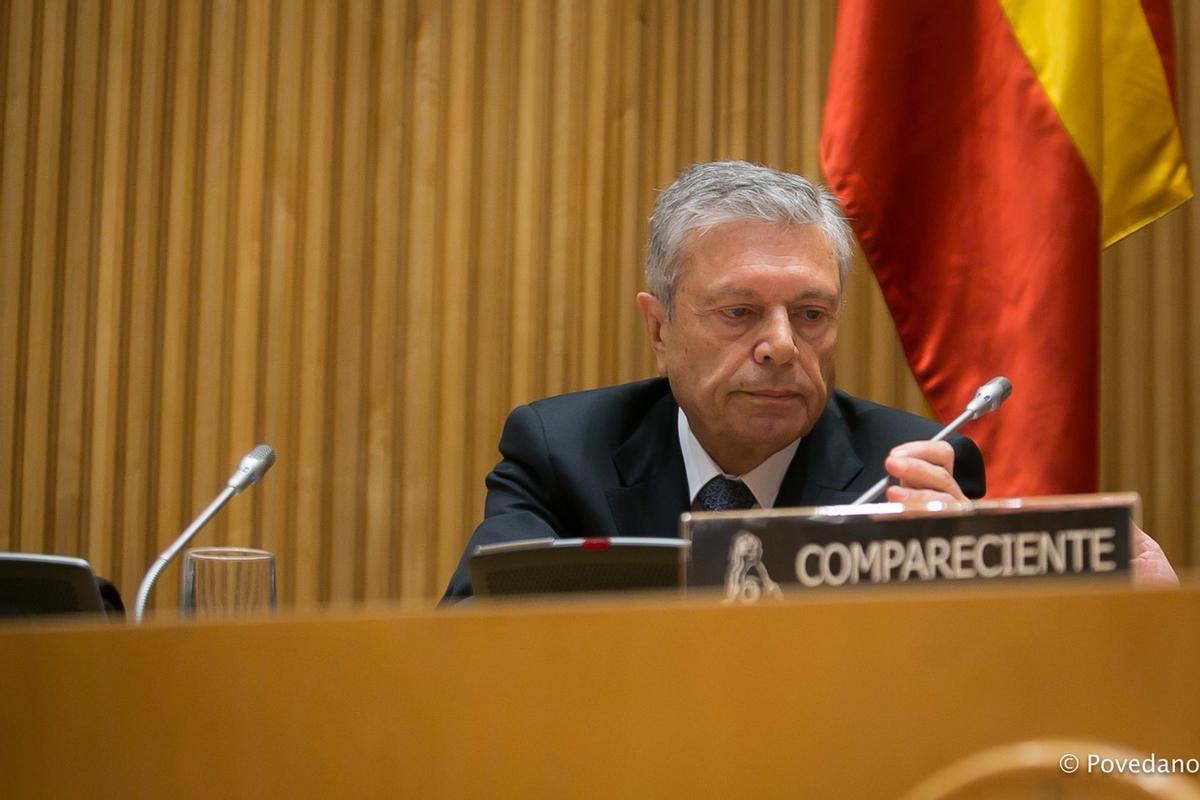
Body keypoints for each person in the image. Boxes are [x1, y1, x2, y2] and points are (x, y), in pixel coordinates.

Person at [443, 161, 1173, 600]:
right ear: (659, 329)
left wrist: (962, 583)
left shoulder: (910, 474)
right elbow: (469, 636)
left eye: (812, 313)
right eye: (740, 312)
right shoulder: (560, 451)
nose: (784, 347)